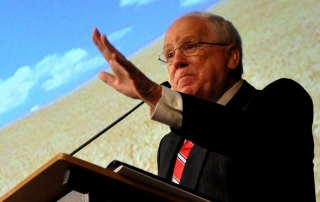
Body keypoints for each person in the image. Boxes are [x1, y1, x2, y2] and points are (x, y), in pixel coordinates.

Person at [92, 12, 315, 202]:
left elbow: (253, 138)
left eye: (190, 46)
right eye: (169, 55)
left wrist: (155, 94)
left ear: (231, 56)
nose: (177, 61)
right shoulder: (169, 145)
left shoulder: (283, 101)